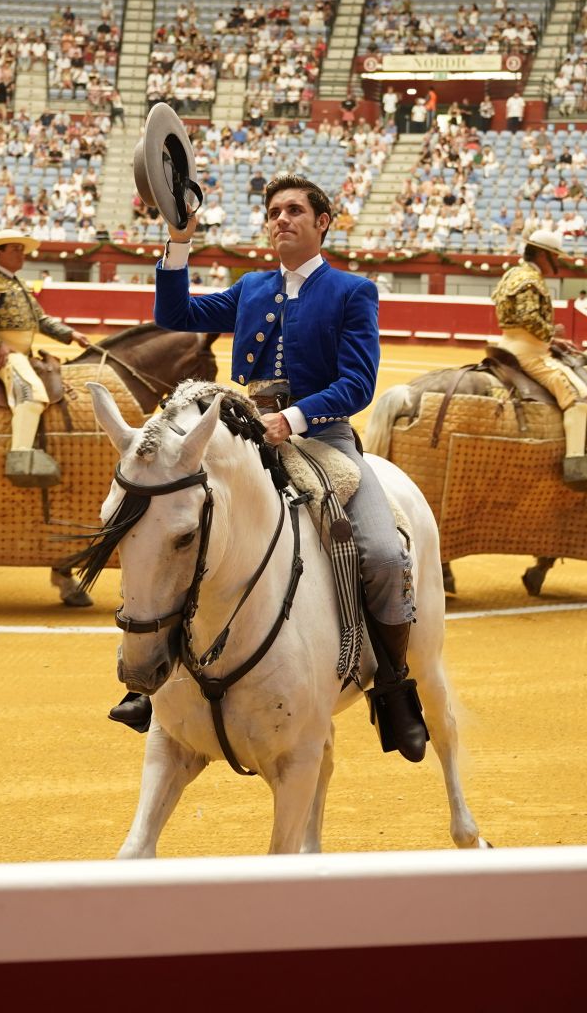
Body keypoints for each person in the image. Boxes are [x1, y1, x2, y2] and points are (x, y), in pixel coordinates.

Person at [141, 175, 428, 762]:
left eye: (296, 210)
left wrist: (293, 418)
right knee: (183, 528)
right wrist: (178, 241)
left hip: (324, 442)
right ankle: (153, 677)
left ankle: (395, 686)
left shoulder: (353, 292)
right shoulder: (251, 288)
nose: (282, 220)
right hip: (248, 442)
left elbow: (357, 383)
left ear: (323, 222)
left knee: (381, 551)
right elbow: (174, 311)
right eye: (274, 212)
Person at [0, 229, 88, 487]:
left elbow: (40, 320)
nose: (22, 254)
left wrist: (70, 333)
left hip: (23, 354)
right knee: (31, 393)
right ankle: (19, 457)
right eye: (15, 249)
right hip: (4, 355)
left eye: (22, 249)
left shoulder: (17, 284)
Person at [491, 230, 587, 489]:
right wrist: (551, 332)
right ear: (544, 255)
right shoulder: (529, 279)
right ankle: (576, 464)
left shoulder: (512, 273)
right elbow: (527, 317)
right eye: (555, 256)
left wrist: (551, 341)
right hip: (528, 353)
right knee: (578, 398)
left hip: (510, 344)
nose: (558, 262)